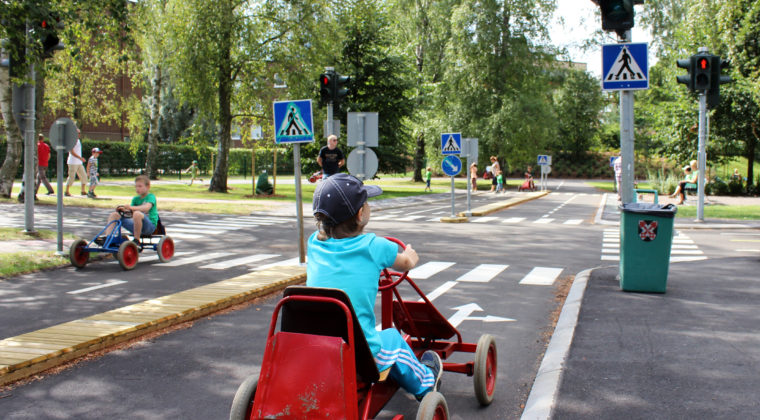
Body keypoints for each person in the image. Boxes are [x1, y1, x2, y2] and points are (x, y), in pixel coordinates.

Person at [306, 173, 442, 401]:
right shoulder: (374, 246)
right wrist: (409, 254)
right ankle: (426, 383)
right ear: (360, 214)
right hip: (359, 353)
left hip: (316, 348)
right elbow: (406, 263)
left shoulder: (313, 243)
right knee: (393, 340)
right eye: (366, 203)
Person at [103, 175, 158, 240]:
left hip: (149, 227)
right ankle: (108, 238)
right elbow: (130, 212)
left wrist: (131, 208)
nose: (137, 188)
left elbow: (146, 208)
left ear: (148, 187)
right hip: (136, 226)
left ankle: (136, 240)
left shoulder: (151, 197)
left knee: (137, 214)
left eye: (140, 186)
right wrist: (124, 210)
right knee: (114, 215)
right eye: (136, 186)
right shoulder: (135, 199)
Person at [65, 129, 87, 197]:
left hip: (79, 163)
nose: (79, 134)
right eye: (78, 133)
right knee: (71, 177)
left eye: (79, 133)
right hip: (72, 162)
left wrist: (80, 159)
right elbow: (72, 152)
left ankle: (83, 191)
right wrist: (80, 158)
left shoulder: (78, 141)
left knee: (84, 176)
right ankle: (66, 191)